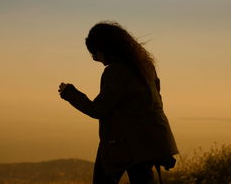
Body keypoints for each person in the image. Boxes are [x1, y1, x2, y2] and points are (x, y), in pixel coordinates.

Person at [58, 21, 178, 184]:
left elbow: (99, 110)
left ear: (106, 49)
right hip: (150, 142)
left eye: (95, 53)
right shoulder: (145, 66)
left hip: (122, 144)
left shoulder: (115, 71)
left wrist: (70, 93)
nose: (95, 58)